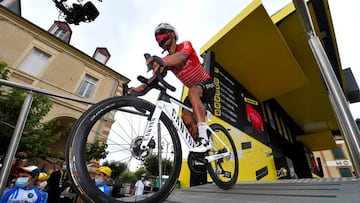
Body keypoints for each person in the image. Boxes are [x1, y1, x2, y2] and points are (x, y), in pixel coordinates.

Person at [129, 23, 215, 153]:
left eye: (162, 35)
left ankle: (204, 139)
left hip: (207, 84)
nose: (159, 39)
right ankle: (199, 148)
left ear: (173, 35)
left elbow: (181, 57)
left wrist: (161, 61)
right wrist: (138, 90)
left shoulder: (185, 45)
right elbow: (153, 80)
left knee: (192, 91)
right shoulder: (166, 61)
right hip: (194, 91)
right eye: (157, 38)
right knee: (185, 116)